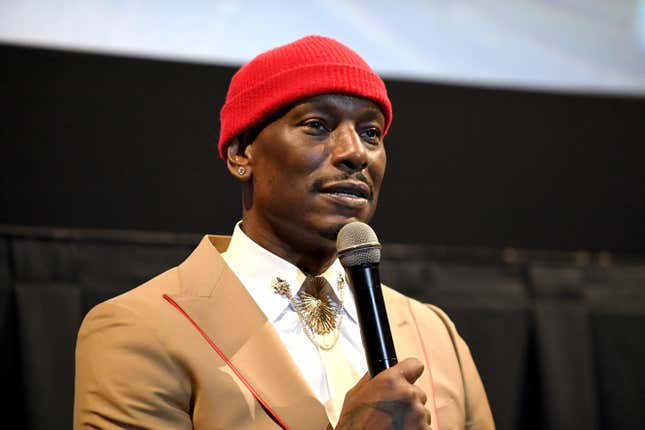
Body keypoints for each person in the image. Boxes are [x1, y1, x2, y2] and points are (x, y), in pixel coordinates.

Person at [74, 35, 495, 430]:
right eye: (317, 125)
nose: (354, 153)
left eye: (371, 133)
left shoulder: (436, 334)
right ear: (241, 153)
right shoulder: (140, 329)